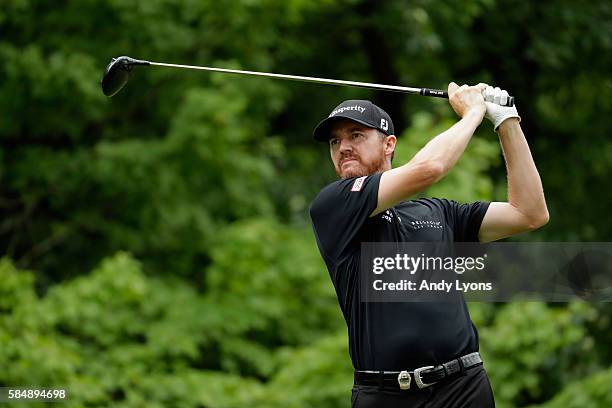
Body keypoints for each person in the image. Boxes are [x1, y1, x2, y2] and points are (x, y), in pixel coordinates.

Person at [309, 82, 549, 407]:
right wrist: (473, 113)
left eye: (356, 135)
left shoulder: (437, 212)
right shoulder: (334, 205)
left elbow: (529, 213)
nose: (343, 147)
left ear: (389, 144)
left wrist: (505, 120)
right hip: (385, 395)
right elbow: (429, 169)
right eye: (335, 141)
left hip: (463, 387)